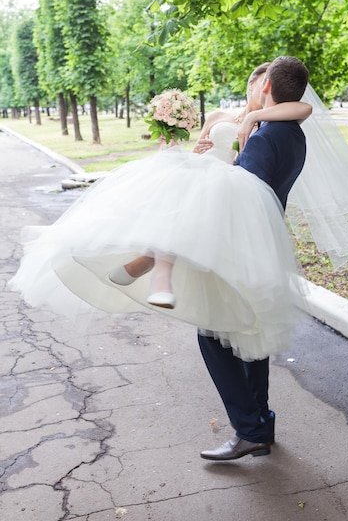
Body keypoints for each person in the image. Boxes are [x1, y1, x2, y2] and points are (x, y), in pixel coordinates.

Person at [9, 58, 312, 364]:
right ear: (251, 85)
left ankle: (148, 260)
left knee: (192, 207)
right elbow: (202, 145)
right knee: (173, 185)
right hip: (209, 178)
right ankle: (147, 264)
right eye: (254, 83)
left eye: (263, 84)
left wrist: (254, 117)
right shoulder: (224, 116)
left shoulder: (268, 124)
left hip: (229, 195)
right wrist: (194, 150)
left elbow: (303, 108)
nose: (258, 90)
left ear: (268, 88)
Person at [197, 56, 310, 461]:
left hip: (243, 248)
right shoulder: (293, 133)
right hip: (268, 246)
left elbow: (242, 194)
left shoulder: (264, 136)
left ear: (266, 89)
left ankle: (250, 428)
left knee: (211, 333)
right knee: (252, 335)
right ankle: (260, 425)